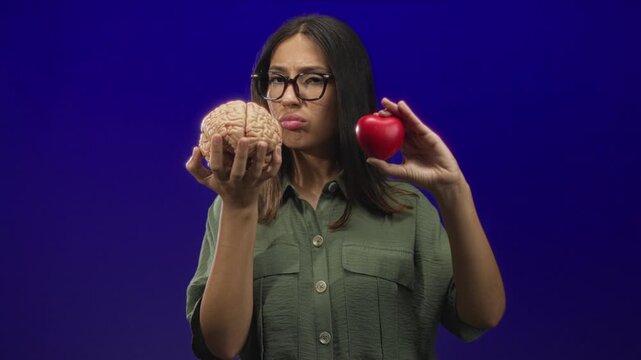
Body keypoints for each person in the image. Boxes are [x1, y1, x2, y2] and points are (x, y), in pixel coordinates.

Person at [185, 14, 505, 360]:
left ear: (348, 89)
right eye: (277, 80)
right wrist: (239, 208)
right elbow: (221, 345)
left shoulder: (406, 208)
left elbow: (482, 314)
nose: (288, 98)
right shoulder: (232, 206)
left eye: (311, 80)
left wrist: (453, 192)